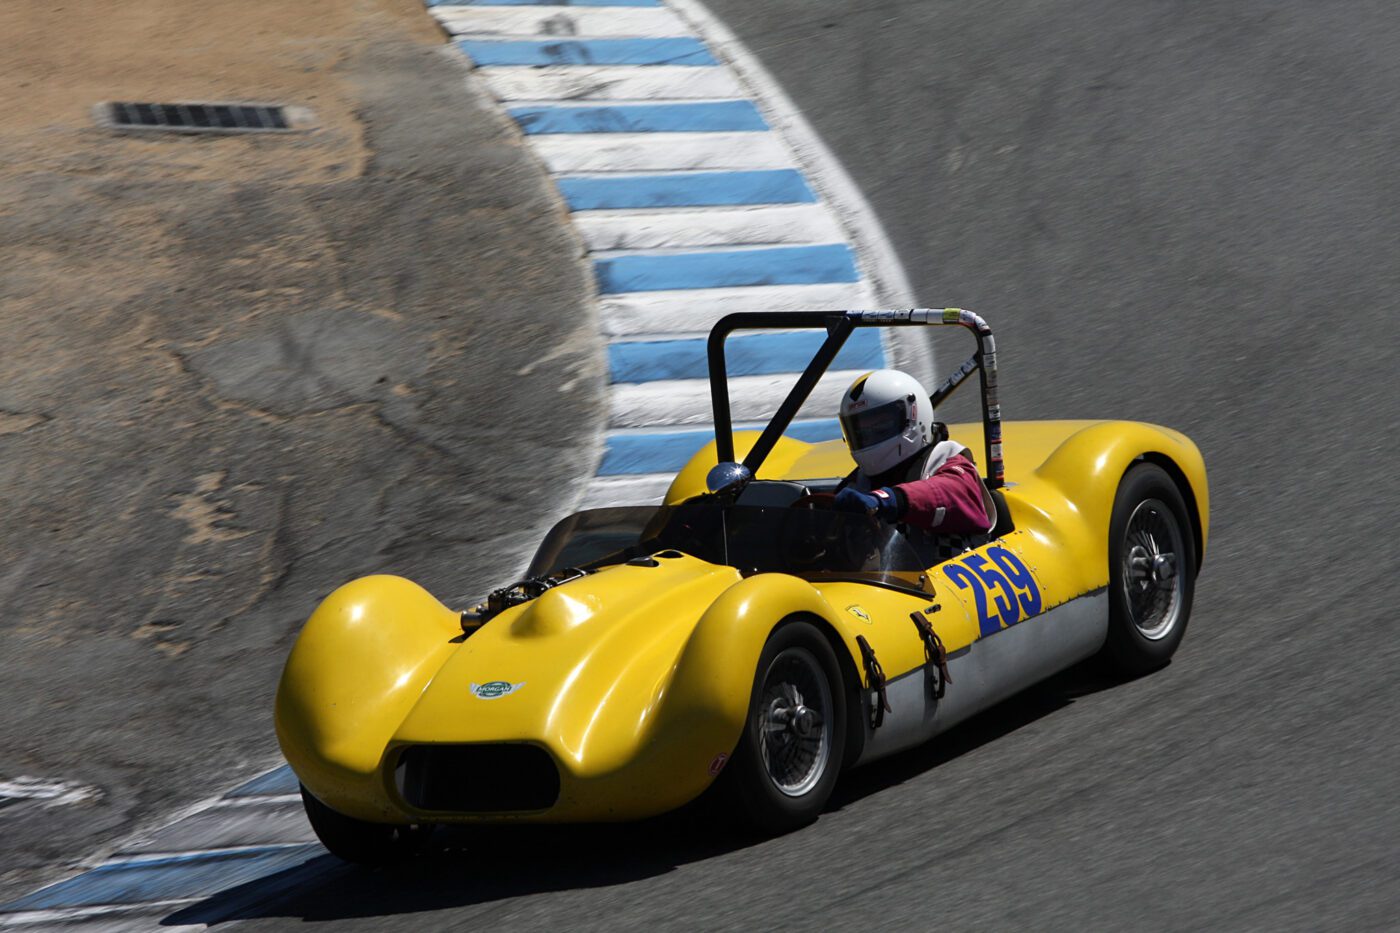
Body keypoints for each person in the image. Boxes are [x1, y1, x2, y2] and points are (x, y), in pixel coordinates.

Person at [832, 369, 996, 535]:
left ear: (913, 415)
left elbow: (957, 494)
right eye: (861, 432)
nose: (869, 435)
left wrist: (888, 499)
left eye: (880, 426)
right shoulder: (857, 485)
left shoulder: (945, 461)